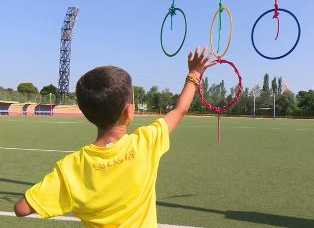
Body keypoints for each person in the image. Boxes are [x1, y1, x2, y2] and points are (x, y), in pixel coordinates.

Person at [14, 47, 215, 227]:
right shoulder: (145, 143)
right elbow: (179, 110)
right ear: (130, 111)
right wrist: (194, 73)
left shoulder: (70, 169)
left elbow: (21, 208)